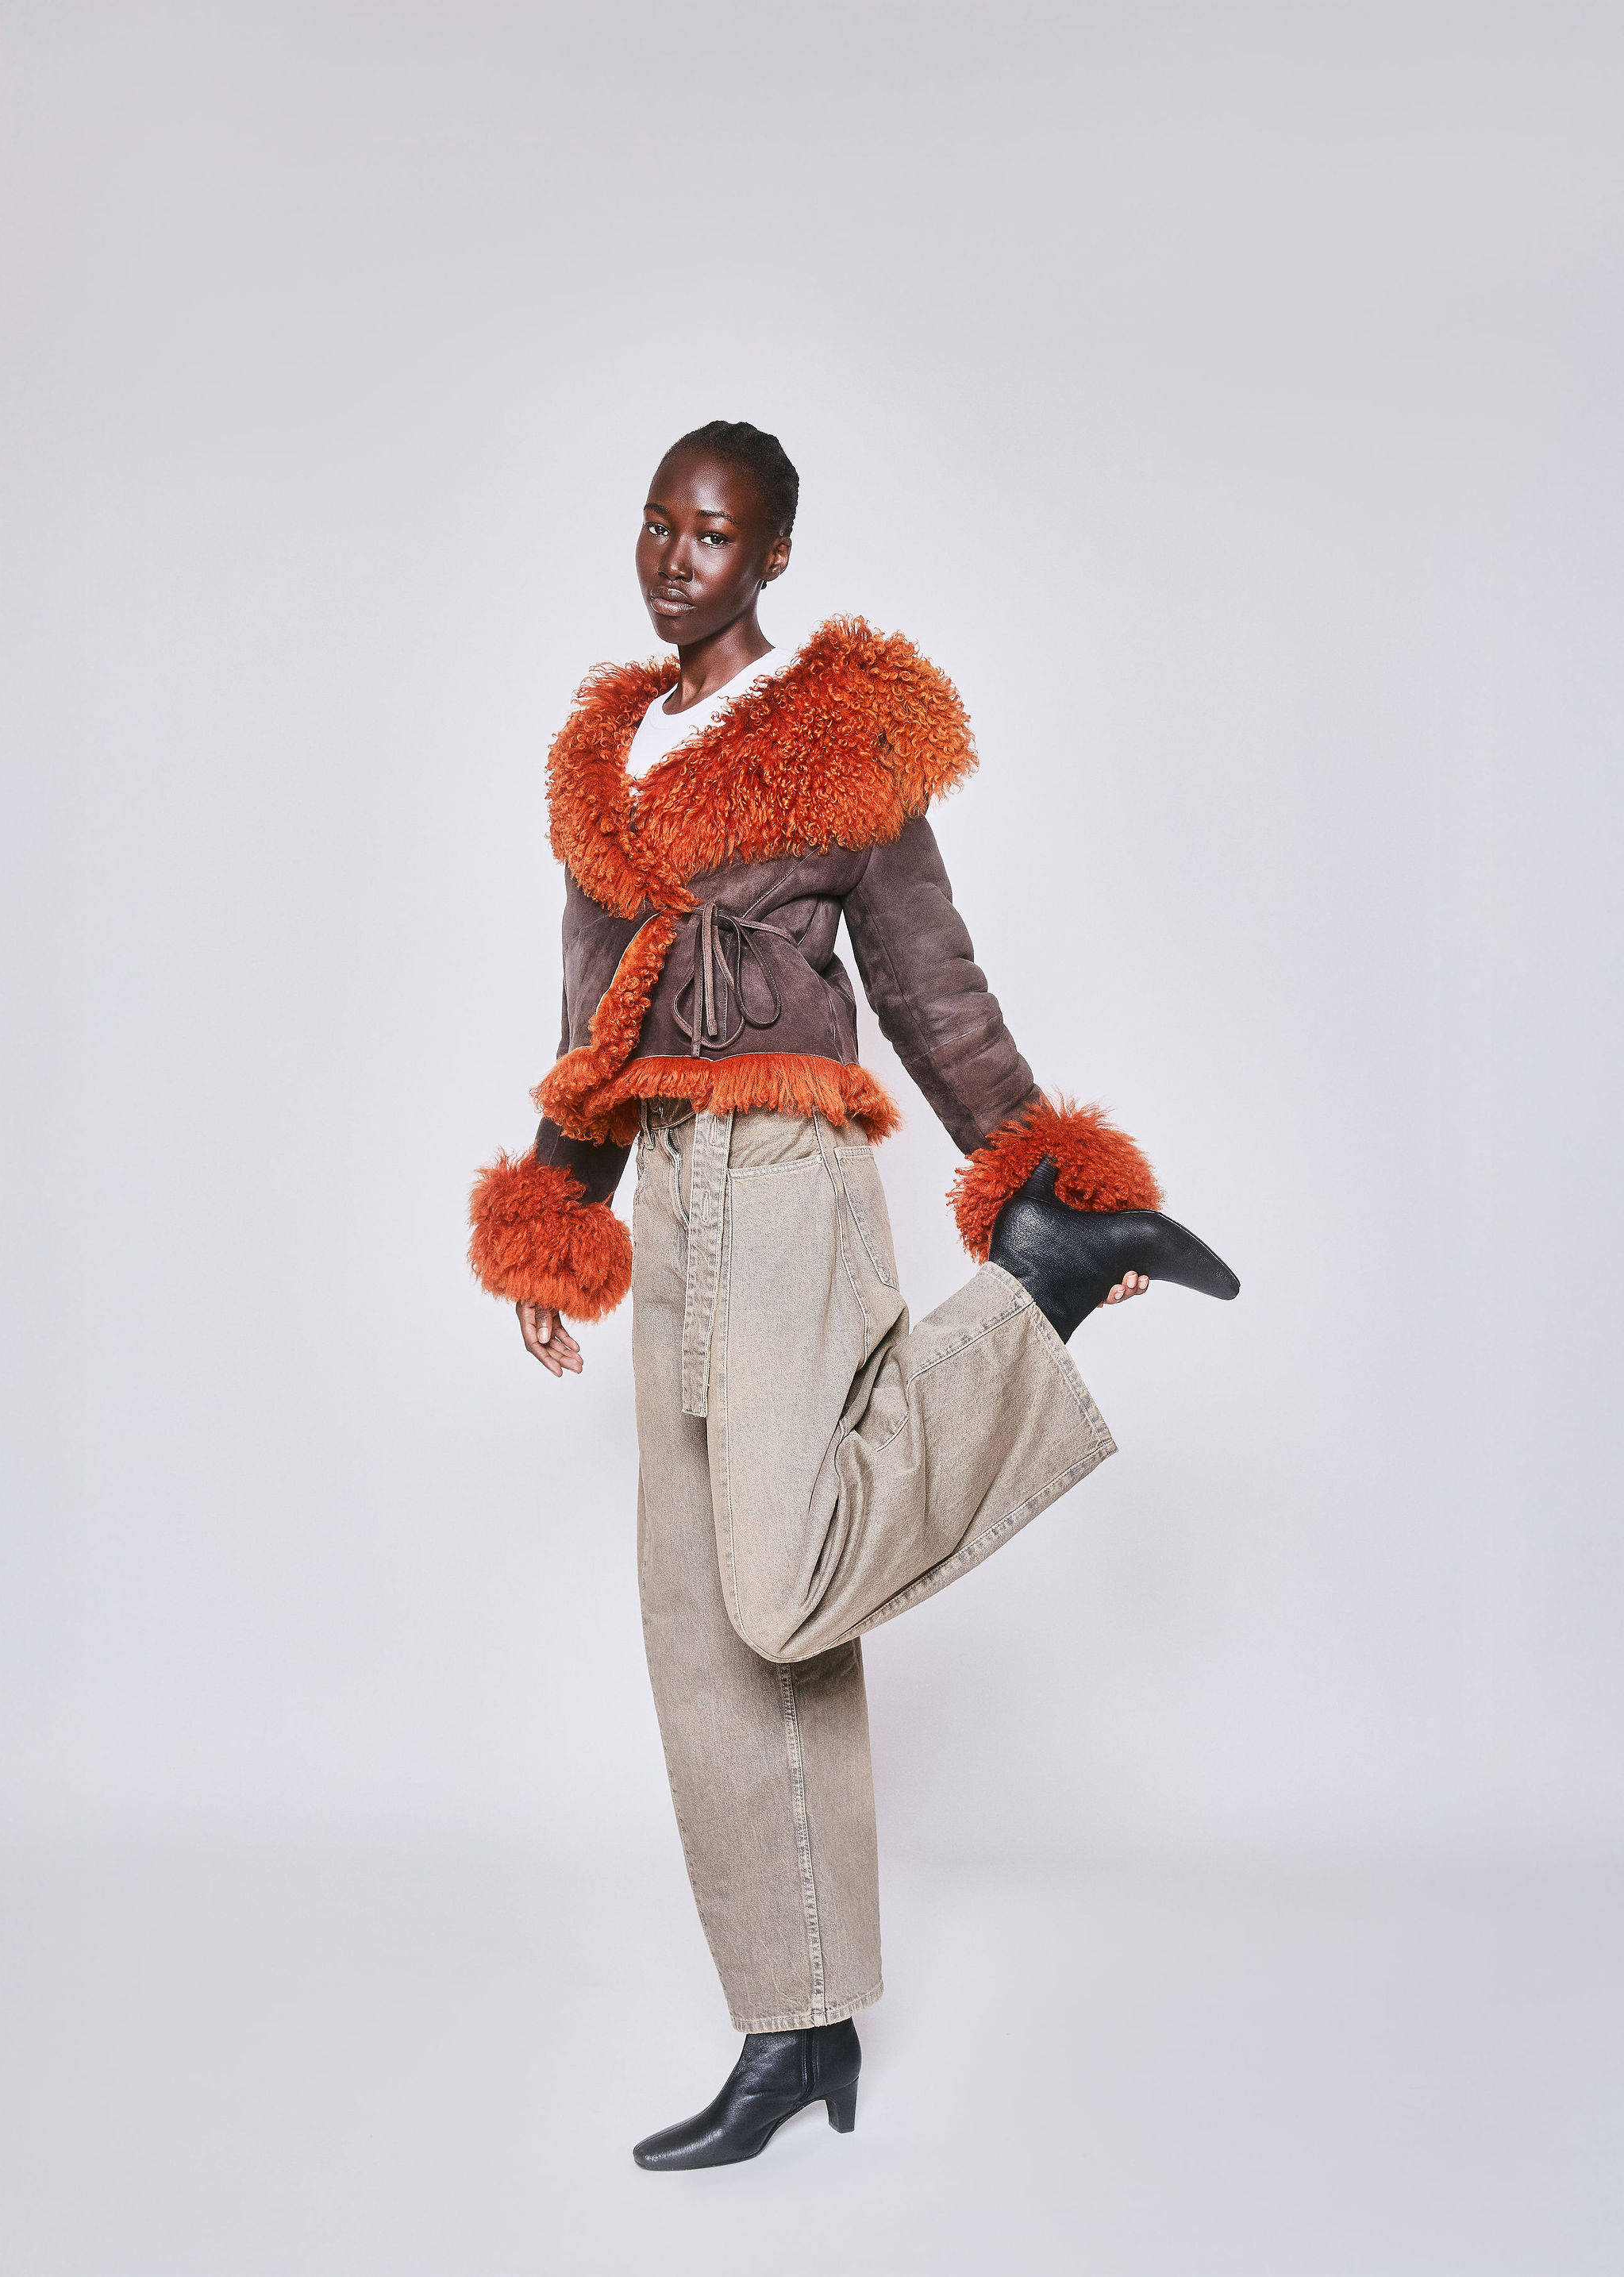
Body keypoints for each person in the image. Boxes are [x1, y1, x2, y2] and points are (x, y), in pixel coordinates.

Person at [469, 419, 1237, 2171]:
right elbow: (596, 1032)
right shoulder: (603, 758)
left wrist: (1039, 1165)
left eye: (713, 532)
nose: (674, 558)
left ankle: (1045, 1277)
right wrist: (558, 1218)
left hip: (796, 1187)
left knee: (783, 1568)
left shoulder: (842, 745)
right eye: (658, 524)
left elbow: (932, 992)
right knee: (705, 1625)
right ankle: (794, 2022)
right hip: (670, 1192)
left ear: (776, 556)